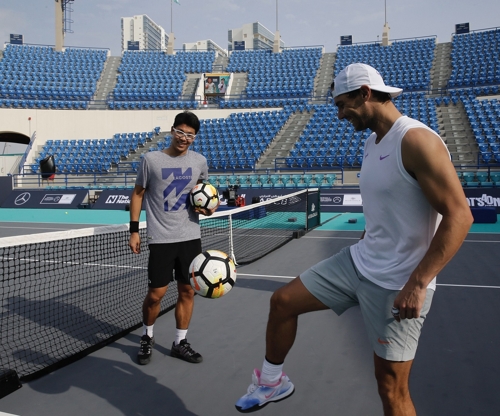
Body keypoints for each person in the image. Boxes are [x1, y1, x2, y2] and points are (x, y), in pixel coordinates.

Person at [235, 63, 473, 414]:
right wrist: (367, 239)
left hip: (397, 282)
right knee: (283, 302)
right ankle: (272, 382)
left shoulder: (416, 140)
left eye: (342, 104)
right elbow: (384, 207)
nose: (339, 114)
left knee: (391, 390)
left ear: (365, 93)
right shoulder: (371, 142)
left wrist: (418, 284)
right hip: (359, 262)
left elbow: (460, 215)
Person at [129, 111, 218, 366]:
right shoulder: (151, 160)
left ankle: (180, 342)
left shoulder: (200, 161)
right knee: (156, 294)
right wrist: (134, 230)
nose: (184, 138)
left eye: (189, 135)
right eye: (180, 132)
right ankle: (147, 336)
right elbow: (137, 195)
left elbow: (207, 195)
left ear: (195, 138)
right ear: (172, 131)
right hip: (160, 237)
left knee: (187, 291)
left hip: (190, 237)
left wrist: (210, 208)